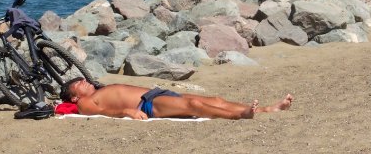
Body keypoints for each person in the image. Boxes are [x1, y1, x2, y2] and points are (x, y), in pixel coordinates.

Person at [60, 78, 293, 120]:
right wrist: (126, 112)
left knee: (216, 99)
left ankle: (266, 109)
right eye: (79, 84)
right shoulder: (84, 103)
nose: (85, 81)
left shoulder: (99, 90)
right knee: (195, 106)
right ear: (74, 95)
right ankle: (242, 115)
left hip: (156, 93)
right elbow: (99, 113)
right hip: (147, 104)